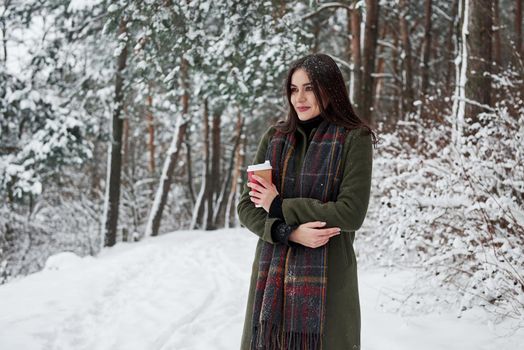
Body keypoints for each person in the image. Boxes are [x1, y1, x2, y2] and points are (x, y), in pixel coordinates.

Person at [237, 53, 377, 350]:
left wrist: (280, 206)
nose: (299, 98)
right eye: (293, 89)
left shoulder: (355, 139)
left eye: (309, 88)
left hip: (329, 284)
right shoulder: (274, 137)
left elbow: (351, 213)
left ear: (330, 89)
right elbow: (247, 206)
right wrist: (288, 232)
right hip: (272, 281)